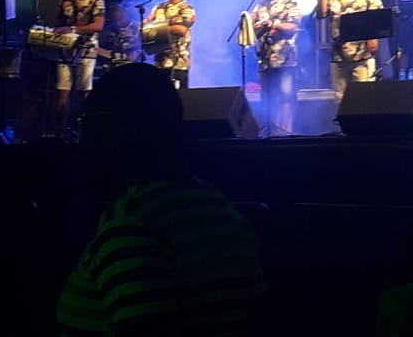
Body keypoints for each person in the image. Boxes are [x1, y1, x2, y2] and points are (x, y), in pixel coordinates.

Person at [56, 62, 268, 335]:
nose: (82, 140)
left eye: (86, 123)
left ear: (111, 129)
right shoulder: (221, 209)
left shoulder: (133, 226)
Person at [315, 0, 384, 100]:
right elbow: (322, 14)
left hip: (360, 51)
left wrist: (373, 38)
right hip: (339, 53)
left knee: (363, 95)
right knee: (340, 96)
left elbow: (377, 15)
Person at [54, 0, 106, 136]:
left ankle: (86, 131)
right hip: (66, 50)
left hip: (87, 50)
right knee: (63, 92)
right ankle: (61, 132)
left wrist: (74, 29)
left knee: (85, 92)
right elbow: (60, 23)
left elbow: (98, 25)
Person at [250, 0, 302, 135]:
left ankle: (286, 130)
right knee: (267, 96)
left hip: (285, 58)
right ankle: (270, 129)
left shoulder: (290, 3)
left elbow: (294, 26)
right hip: (265, 59)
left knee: (286, 96)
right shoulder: (260, 7)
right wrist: (252, 26)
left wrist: (274, 24)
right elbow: (252, 32)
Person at [144, 0, 196, 89]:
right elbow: (147, 25)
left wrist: (156, 29)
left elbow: (181, 29)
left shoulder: (187, 8)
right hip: (159, 60)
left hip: (179, 61)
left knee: (179, 95)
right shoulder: (158, 7)